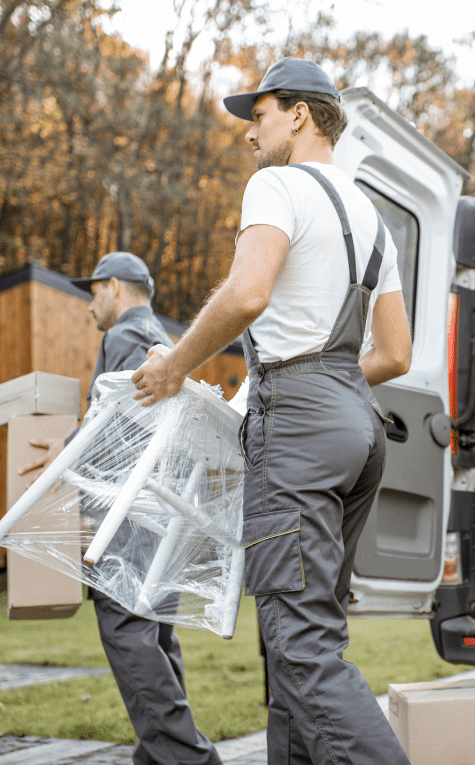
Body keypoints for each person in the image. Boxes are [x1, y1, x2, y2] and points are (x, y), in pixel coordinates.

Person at [131, 57, 413, 764]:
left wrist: (172, 365)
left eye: (257, 116)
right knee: (304, 638)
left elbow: (248, 294)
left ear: (299, 114)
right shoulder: (372, 217)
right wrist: (323, 387)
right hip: (356, 424)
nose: (250, 135)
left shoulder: (277, 185)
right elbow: (397, 353)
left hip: (301, 428)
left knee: (299, 643)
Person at [20, 251, 222, 765]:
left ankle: (190, 759)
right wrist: (66, 446)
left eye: (92, 294)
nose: (90, 308)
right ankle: (157, 758)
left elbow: (123, 424)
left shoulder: (127, 336)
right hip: (160, 514)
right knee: (153, 636)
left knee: (127, 630)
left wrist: (69, 458)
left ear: (113, 286)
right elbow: (126, 413)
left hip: (132, 515)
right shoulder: (159, 338)